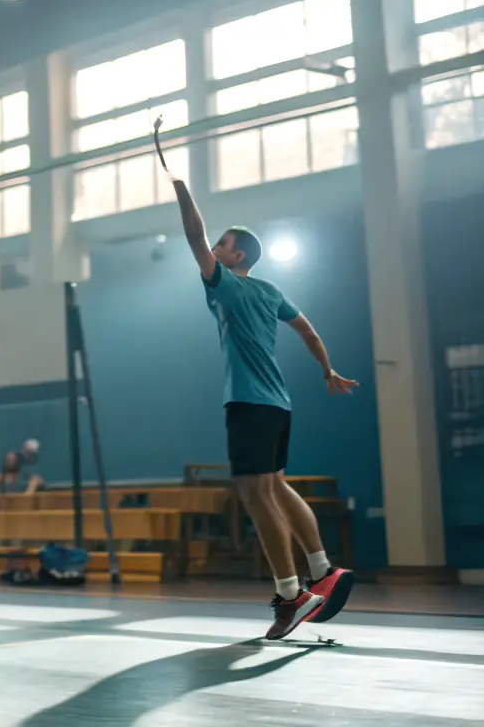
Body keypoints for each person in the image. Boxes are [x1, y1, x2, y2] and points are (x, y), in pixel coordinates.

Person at [166, 170, 357, 640]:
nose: (213, 249)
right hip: (279, 404)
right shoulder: (271, 291)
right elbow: (308, 332)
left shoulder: (225, 285)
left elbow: (193, 232)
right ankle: (322, 569)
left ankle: (291, 595)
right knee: (276, 487)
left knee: (255, 495)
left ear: (238, 256)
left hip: (249, 403)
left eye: (222, 245)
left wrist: (182, 189)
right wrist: (327, 370)